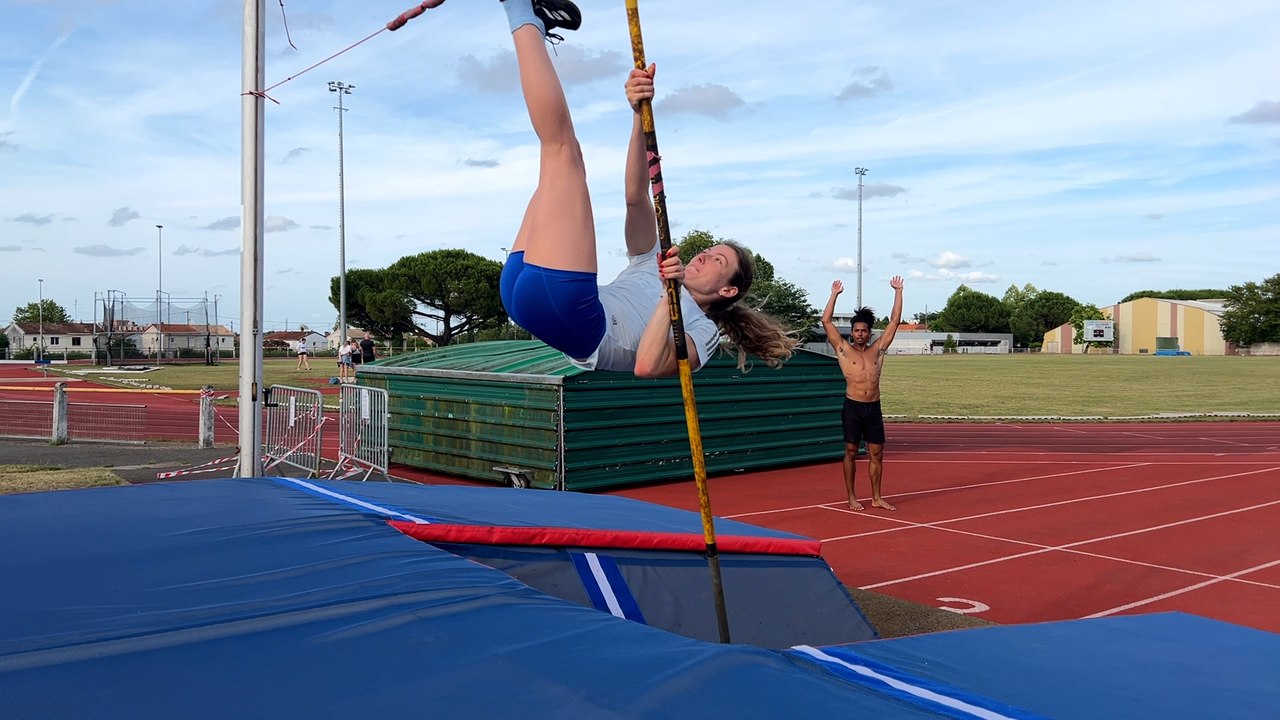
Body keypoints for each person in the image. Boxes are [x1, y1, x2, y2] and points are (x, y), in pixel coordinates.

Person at [430, 0, 796, 376]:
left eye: (718, 261)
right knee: (556, 166)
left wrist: (671, 292)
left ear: (728, 291)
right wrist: (639, 116)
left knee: (562, 151)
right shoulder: (649, 261)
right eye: (708, 251)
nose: (702, 256)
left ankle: (520, 8)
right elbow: (636, 198)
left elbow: (647, 365)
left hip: (578, 317)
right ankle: (532, 21)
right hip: (531, 294)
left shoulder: (702, 332)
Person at [821, 276, 904, 511]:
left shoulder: (878, 350)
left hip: (873, 407)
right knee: (850, 450)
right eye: (856, 330)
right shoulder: (843, 349)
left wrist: (898, 291)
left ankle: (877, 497)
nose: (859, 334)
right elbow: (826, 320)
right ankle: (851, 497)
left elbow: (895, 321)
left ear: (869, 333)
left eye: (863, 331)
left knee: (877, 454)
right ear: (852, 332)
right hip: (853, 407)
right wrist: (834, 294)